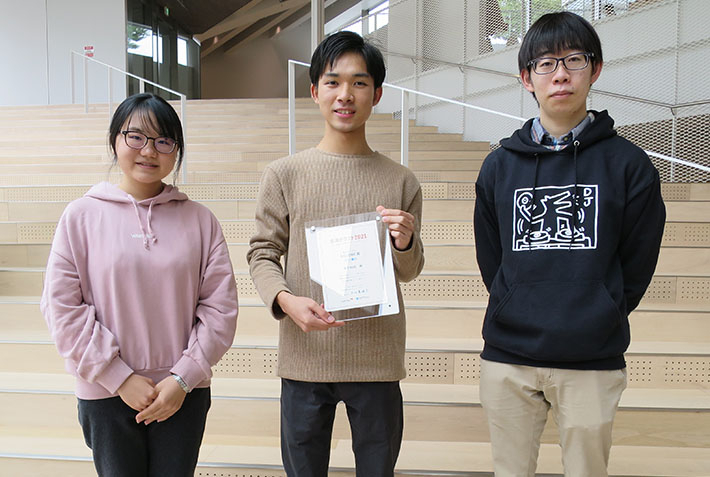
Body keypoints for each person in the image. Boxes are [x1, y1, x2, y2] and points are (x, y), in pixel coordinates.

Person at [473, 12, 665, 476]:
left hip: (592, 360)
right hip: (509, 359)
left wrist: (602, 307)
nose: (560, 73)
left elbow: (637, 263)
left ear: (594, 69)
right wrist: (514, 300)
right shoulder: (498, 167)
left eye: (574, 59)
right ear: (526, 78)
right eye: (544, 63)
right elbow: (491, 256)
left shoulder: (630, 165)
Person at [247, 31, 425, 477]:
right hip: (305, 356)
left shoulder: (401, 180)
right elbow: (263, 253)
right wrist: (287, 302)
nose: (345, 94)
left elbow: (409, 270)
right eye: (333, 81)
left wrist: (404, 241)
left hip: (378, 359)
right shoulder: (284, 174)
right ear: (314, 92)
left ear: (377, 94)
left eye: (360, 83)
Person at [40, 93, 239, 477]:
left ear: (176, 151)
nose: (149, 151)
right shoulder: (80, 216)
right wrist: (119, 377)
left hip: (182, 393)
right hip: (106, 391)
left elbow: (220, 309)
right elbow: (61, 307)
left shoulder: (201, 220)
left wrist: (181, 379)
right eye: (136, 137)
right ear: (115, 139)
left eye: (163, 141)